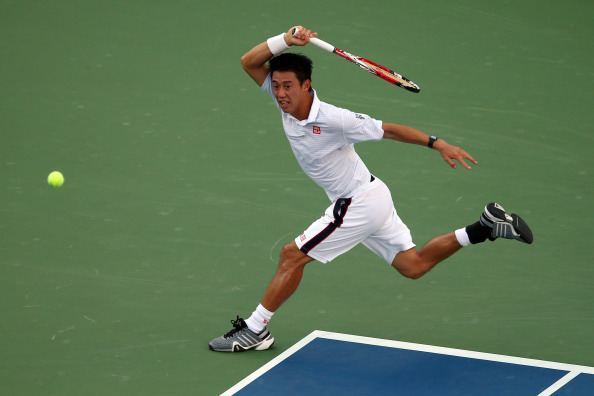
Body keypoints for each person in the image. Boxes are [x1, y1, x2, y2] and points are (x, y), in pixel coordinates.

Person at [208, 26, 533, 353]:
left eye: (288, 86)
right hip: (372, 196)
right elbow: (249, 62)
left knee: (292, 256)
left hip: (357, 204)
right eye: (276, 86)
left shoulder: (336, 120)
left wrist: (437, 143)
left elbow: (389, 130)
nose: (280, 93)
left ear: (306, 86)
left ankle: (255, 330)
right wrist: (284, 40)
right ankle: (486, 226)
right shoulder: (285, 103)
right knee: (413, 266)